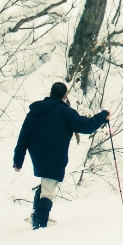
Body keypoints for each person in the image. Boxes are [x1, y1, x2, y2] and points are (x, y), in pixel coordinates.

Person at [13, 82, 109, 229]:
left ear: (50, 93)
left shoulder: (35, 111)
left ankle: (36, 214)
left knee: (47, 184)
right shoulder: (65, 112)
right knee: (48, 191)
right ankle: (39, 225)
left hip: (38, 156)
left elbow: (24, 136)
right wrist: (103, 116)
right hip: (55, 156)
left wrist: (18, 160)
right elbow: (87, 126)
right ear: (65, 96)